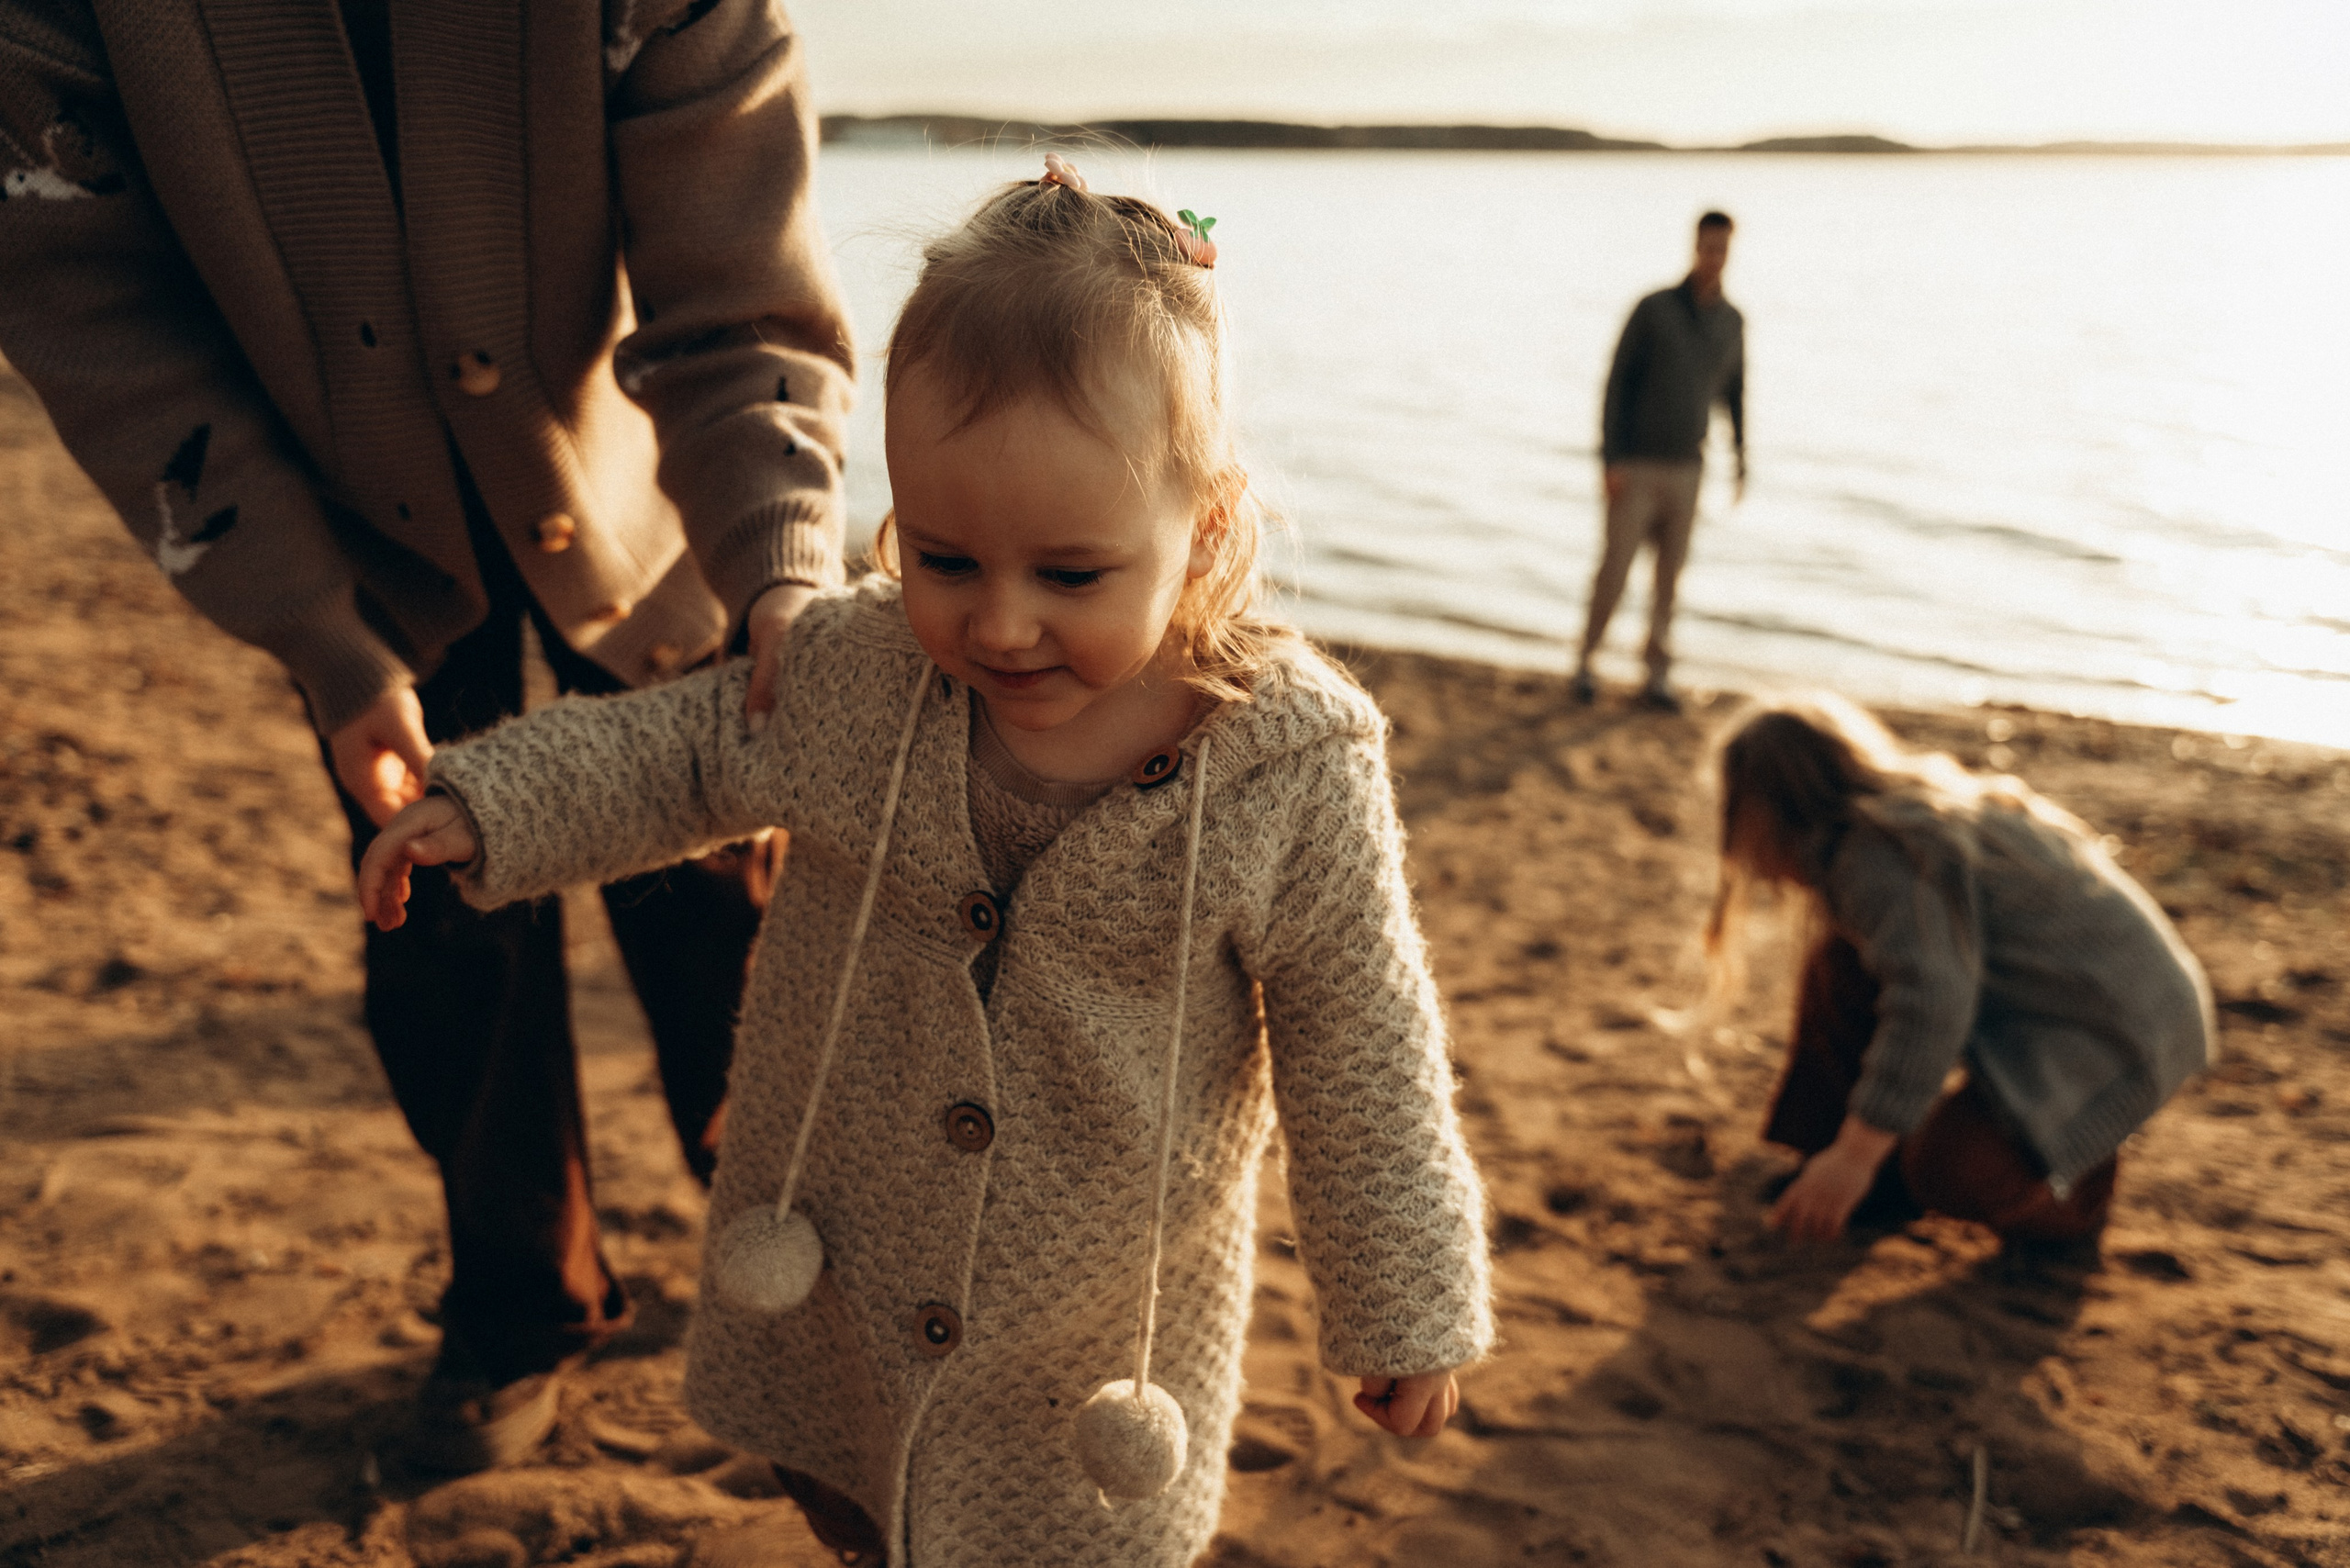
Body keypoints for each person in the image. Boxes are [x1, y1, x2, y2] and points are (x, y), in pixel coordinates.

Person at [356, 158, 1494, 1567]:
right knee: (855, 1503)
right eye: (946, 556)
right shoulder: (863, 671)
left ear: (1202, 529)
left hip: (1090, 1328)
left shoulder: (1289, 765)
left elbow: (1362, 1040)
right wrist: (494, 802)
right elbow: (697, 750)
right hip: (847, 1254)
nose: (999, 624)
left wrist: (1403, 1300)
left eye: (1070, 577)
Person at [0, 0, 855, 1469]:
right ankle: (527, 1305)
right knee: (439, 927)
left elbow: (738, 289)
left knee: (728, 908)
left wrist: (784, 560)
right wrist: (324, 640)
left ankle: (803, 1271)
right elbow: (98, 313)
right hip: (336, 542)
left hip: (657, 513)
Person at [1707, 695, 2215, 1248]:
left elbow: (1932, 1005)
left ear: (1764, 812)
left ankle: (2073, 1203)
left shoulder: (1879, 854)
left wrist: (1856, 1157)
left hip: (2121, 1034)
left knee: (1948, 1168)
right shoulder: (1902, 817)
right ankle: (1854, 1169)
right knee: (1842, 960)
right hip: (2115, 1005)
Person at [1572, 209, 1747, 713]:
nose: (1713, 257)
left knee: (1671, 577)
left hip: (1689, 469)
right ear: (1694, 247)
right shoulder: (1654, 309)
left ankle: (1656, 674)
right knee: (1616, 568)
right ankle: (1587, 660)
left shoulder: (1732, 321)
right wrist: (1611, 457)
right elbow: (1616, 384)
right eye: (1707, 247)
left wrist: (1740, 459)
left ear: (1730, 252)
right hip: (1638, 466)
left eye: (1722, 249)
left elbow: (1736, 393)